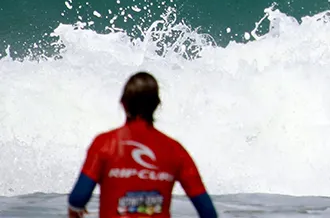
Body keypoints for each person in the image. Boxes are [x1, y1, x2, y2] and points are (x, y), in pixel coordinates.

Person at [67, 72, 217, 218]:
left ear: (123, 103)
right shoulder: (175, 150)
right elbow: (207, 210)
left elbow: (78, 198)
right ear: (157, 105)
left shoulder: (105, 143)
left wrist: (74, 210)